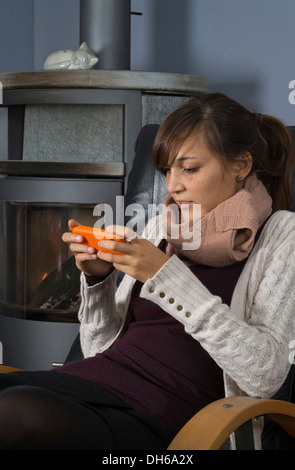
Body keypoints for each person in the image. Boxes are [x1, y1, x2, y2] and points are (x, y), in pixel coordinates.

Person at [0, 92, 295, 450]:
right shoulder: (163, 228)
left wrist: (166, 277)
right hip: (95, 383)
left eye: (189, 168)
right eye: (167, 170)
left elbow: (265, 375)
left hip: (166, 417)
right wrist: (98, 280)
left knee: (13, 413)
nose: (173, 186)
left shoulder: (282, 235)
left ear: (241, 165)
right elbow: (95, 350)